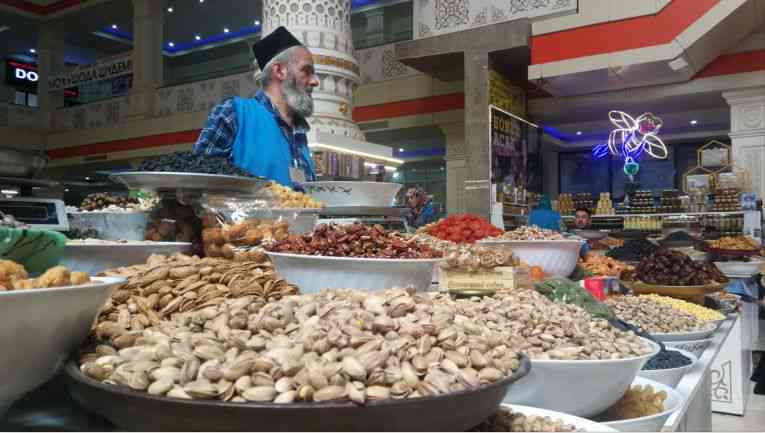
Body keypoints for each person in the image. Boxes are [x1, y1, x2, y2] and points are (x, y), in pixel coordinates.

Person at [194, 27, 319, 188]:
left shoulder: (300, 132)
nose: (315, 81)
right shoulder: (233, 113)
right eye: (306, 71)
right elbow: (197, 185)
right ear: (280, 71)